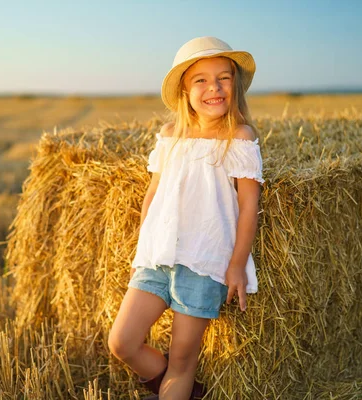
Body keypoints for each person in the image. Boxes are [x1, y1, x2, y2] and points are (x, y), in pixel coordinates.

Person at [108, 37, 264, 399]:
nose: (215, 88)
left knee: (181, 359)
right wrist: (140, 254)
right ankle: (184, 393)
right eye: (201, 80)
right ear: (184, 89)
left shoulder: (238, 137)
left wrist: (237, 265)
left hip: (203, 261)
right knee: (122, 342)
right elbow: (153, 198)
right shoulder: (170, 136)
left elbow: (248, 208)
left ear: (235, 86)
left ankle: (176, 389)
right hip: (158, 257)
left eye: (224, 78)